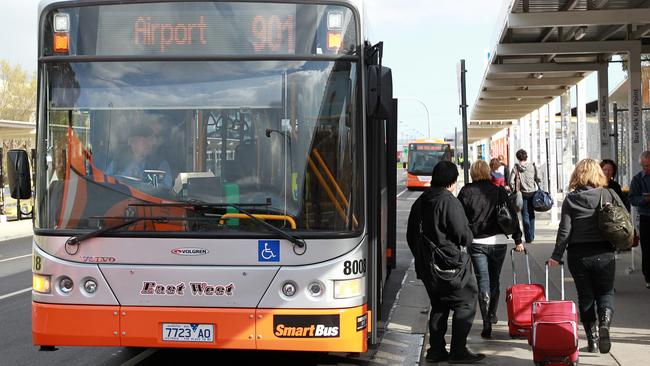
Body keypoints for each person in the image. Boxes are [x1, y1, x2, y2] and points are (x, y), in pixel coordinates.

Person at [407, 161, 485, 364]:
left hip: (426, 267)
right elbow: (464, 236)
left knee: (439, 305)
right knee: (466, 302)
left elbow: (410, 235)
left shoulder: (421, 201)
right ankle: (458, 350)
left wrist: (424, 256)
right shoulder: (448, 201)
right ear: (452, 181)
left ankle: (436, 351)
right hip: (449, 267)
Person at [548, 158, 622, 354]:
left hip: (579, 255)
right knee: (606, 293)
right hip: (605, 252)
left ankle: (593, 340)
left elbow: (565, 231)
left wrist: (556, 255)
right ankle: (605, 323)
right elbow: (624, 219)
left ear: (578, 174)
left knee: (586, 296)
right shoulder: (609, 193)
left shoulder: (571, 199)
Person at [458, 160, 524, 339]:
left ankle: (486, 321)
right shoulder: (498, 191)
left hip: (477, 243)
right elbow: (512, 216)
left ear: (472, 173)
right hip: (499, 241)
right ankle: (492, 313)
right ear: (488, 172)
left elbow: (458, 218)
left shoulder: (466, 192)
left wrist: (460, 239)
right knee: (495, 279)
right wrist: (518, 239)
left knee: (482, 281)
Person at [106, 124, 172, 187]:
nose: (148, 143)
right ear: (131, 141)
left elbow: (166, 189)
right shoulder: (117, 163)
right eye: (143, 139)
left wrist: (147, 185)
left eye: (150, 139)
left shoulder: (160, 165)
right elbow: (105, 182)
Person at [508, 149, 540, 243]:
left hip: (523, 194)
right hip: (533, 193)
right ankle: (532, 235)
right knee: (532, 214)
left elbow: (510, 181)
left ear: (518, 158)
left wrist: (514, 189)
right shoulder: (533, 166)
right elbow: (539, 179)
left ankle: (528, 237)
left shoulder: (516, 168)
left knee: (525, 214)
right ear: (526, 157)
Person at [629, 151, 650, 289]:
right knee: (647, 248)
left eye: (648, 166)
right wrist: (644, 199)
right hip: (646, 217)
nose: (646, 168)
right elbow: (632, 199)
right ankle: (648, 276)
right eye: (644, 166)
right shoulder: (638, 179)